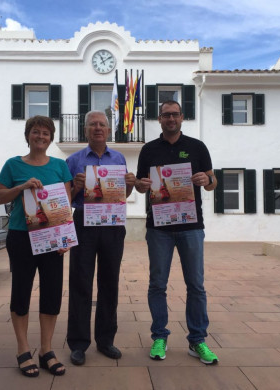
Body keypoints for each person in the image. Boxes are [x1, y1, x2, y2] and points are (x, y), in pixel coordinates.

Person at [135, 100, 219, 364]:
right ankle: (159, 336)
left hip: (191, 227)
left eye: (175, 114)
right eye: (165, 115)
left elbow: (212, 182)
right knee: (157, 284)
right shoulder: (148, 150)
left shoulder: (197, 147)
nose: (170, 119)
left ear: (182, 117)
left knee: (195, 285)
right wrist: (142, 184)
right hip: (158, 227)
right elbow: (139, 186)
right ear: (159, 119)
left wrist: (207, 180)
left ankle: (198, 341)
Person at [0, 115, 72, 377]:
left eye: (46, 133)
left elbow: (65, 205)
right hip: (20, 236)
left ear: (51, 138)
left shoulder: (61, 166)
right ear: (28, 135)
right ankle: (23, 349)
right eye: (36, 132)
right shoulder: (13, 164)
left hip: (51, 238)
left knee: (51, 293)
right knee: (21, 292)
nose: (41, 137)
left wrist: (64, 238)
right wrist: (22, 187)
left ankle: (46, 350)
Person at [66, 111, 136, 365]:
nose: (97, 128)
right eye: (93, 124)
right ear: (85, 130)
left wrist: (129, 184)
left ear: (108, 131)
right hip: (83, 223)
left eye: (102, 125)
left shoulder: (118, 158)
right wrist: (75, 185)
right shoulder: (72, 160)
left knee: (109, 283)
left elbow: (123, 196)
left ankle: (106, 340)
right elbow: (66, 200)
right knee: (80, 282)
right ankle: (78, 343)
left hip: (112, 225)